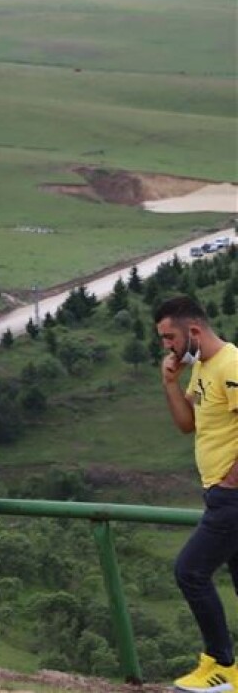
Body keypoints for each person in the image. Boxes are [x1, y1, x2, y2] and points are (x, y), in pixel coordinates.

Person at [154, 296, 238, 692]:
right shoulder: (203, 367)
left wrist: (231, 482)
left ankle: (221, 663)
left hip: (231, 497)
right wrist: (170, 383)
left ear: (193, 331)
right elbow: (187, 423)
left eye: (169, 337)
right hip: (218, 494)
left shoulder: (231, 363)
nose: (167, 345)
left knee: (190, 571)